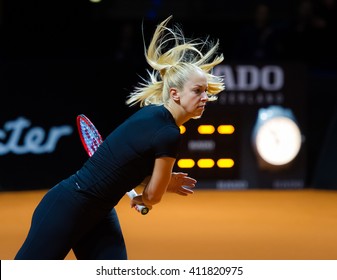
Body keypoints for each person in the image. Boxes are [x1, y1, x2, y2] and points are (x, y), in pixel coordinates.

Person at [15, 15, 225, 260]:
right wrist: (146, 198)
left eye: (206, 92)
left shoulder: (150, 114)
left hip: (100, 214)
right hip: (69, 206)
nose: (205, 98)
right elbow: (153, 196)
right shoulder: (169, 133)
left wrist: (158, 185)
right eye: (198, 91)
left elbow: (123, 168)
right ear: (176, 94)